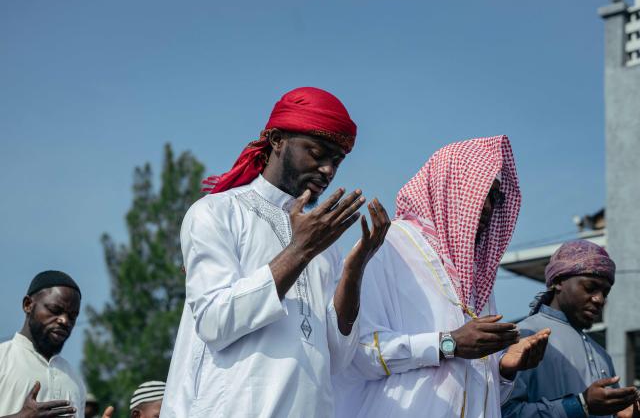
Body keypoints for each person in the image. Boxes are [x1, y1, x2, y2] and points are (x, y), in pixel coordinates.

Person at [161, 87, 390, 417]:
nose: (328, 170)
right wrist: (299, 251)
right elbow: (214, 321)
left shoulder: (326, 246)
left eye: (336, 161)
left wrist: (355, 267)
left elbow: (337, 358)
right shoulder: (217, 212)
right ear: (277, 140)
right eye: (317, 152)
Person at [335, 135, 550, 418]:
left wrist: (505, 369)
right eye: (480, 191)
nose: (487, 206)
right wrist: (448, 344)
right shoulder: (389, 246)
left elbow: (477, 391)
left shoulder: (475, 271)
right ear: (449, 187)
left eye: (494, 197)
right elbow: (356, 353)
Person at [502, 240, 640, 418]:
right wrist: (580, 405)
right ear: (559, 282)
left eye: (605, 293)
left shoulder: (601, 355)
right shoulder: (525, 336)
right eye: (590, 288)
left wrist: (622, 415)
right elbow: (505, 412)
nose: (599, 299)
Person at [0, 270, 86, 417]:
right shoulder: (3, 359)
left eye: (72, 316)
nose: (64, 321)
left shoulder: (75, 381)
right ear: (28, 305)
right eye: (55, 310)